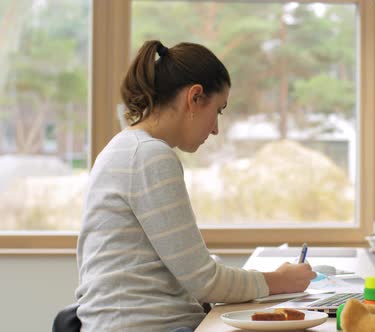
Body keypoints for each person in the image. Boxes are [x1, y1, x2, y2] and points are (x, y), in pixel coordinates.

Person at [75, 40, 316, 332]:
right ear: (195, 97)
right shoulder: (150, 156)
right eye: (219, 110)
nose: (215, 128)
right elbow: (205, 282)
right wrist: (280, 280)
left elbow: (186, 272)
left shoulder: (126, 148)